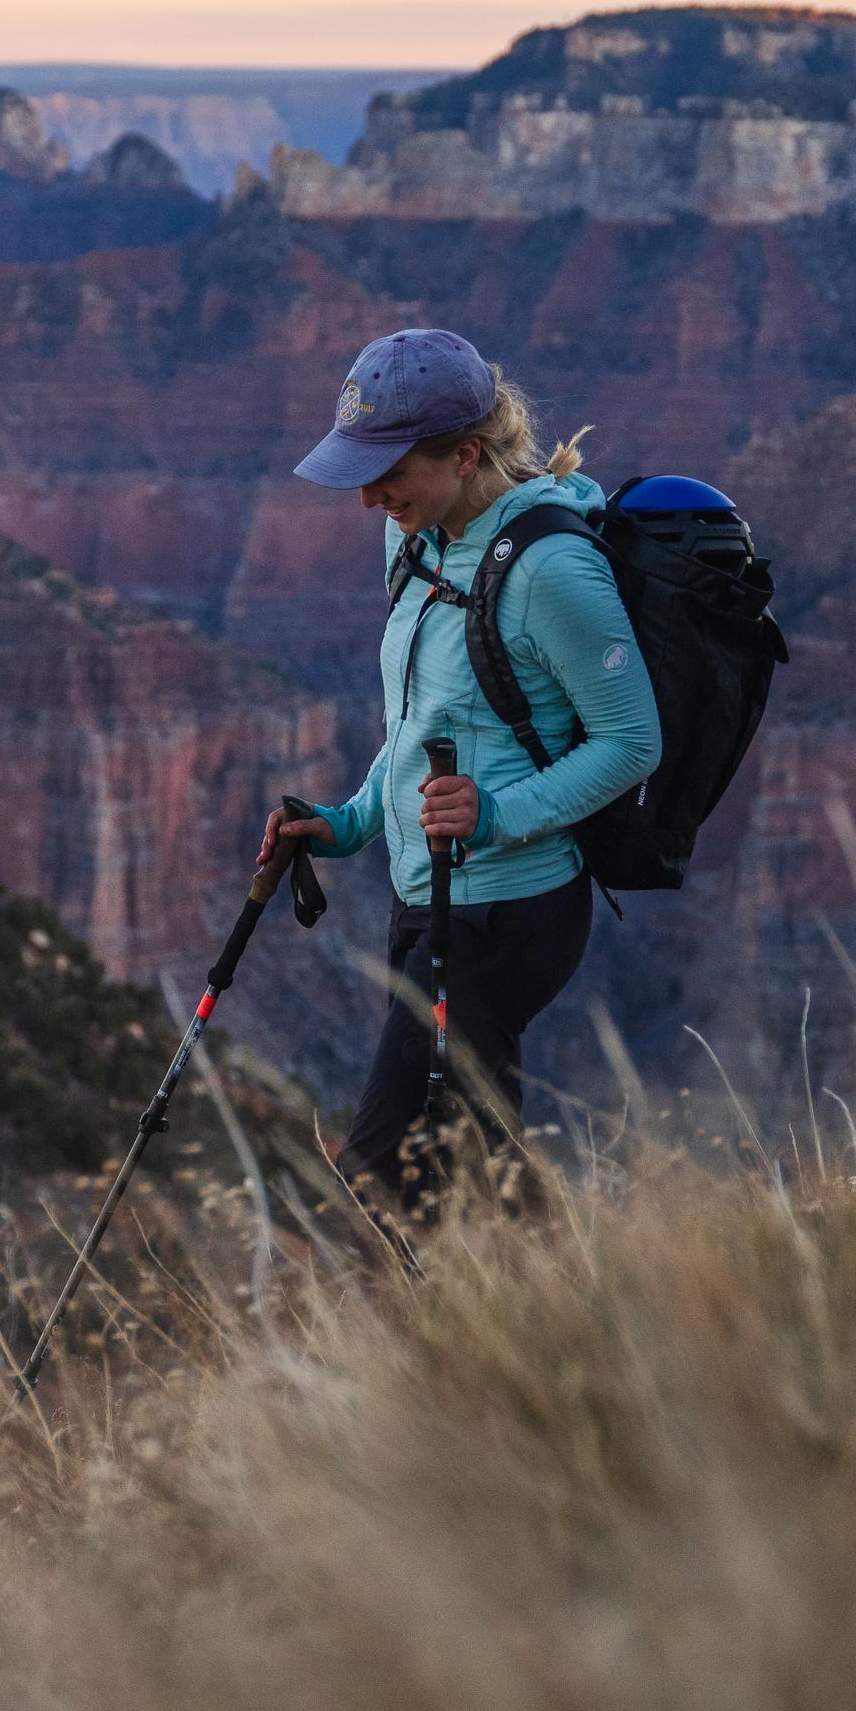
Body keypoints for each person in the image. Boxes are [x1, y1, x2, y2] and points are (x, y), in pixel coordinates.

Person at [257, 327, 661, 1207]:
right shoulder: (418, 541)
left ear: (466, 454)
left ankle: (511, 1327)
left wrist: (494, 814)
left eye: (386, 472)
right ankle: (562, 1322)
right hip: (426, 895)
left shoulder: (552, 571)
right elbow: (421, 722)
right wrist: (349, 821)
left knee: (381, 1173)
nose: (367, 497)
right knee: (468, 1163)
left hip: (507, 911)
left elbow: (634, 744)